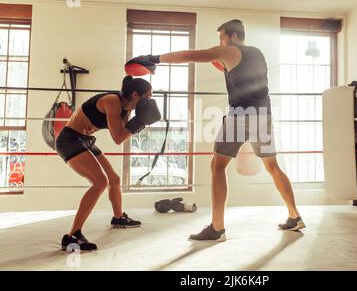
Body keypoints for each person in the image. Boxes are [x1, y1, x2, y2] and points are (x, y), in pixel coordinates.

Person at [127, 19, 305, 241]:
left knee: (218, 166)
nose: (219, 42)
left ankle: (217, 227)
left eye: (220, 37)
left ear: (231, 36)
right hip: (264, 115)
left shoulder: (229, 51)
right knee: (273, 166)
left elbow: (190, 55)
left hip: (241, 116)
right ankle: (294, 216)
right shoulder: (257, 53)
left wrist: (155, 59)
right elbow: (243, 74)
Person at [56, 75, 160, 251]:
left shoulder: (126, 109)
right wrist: (141, 121)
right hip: (70, 139)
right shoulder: (112, 101)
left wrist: (139, 121)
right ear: (135, 94)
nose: (149, 101)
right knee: (100, 182)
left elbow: (124, 131)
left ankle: (118, 217)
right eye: (147, 97)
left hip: (86, 139)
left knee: (114, 178)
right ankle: (72, 235)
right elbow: (118, 138)